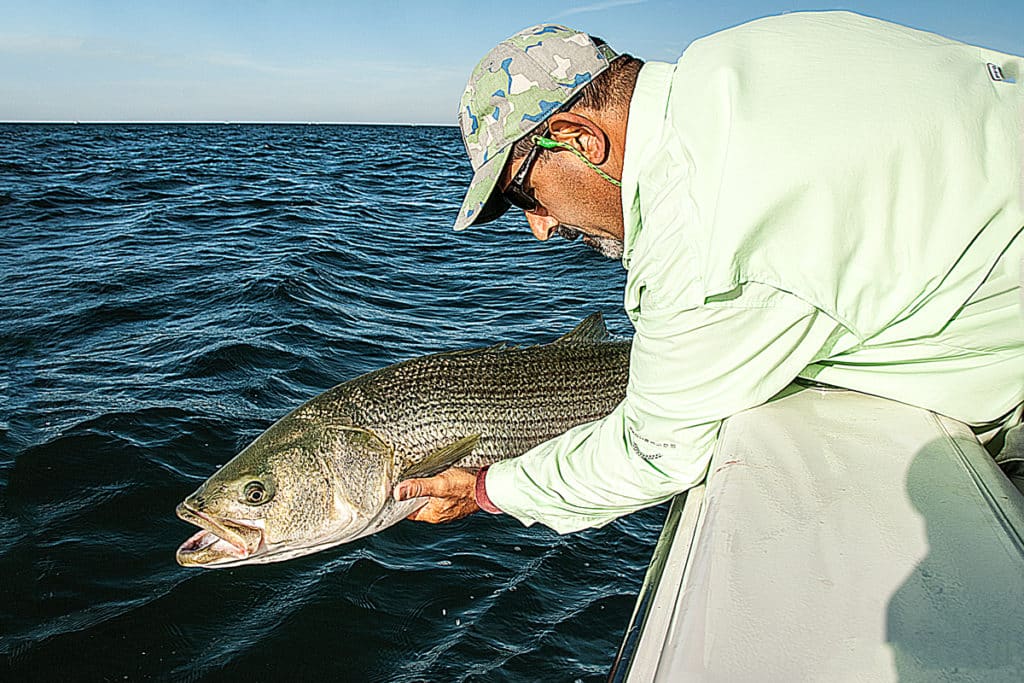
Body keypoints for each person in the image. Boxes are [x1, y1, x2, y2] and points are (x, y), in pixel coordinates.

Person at [395, 11, 1024, 533]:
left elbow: (654, 453)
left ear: (578, 138)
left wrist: (486, 489)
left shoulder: (702, 224)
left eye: (524, 196)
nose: (540, 226)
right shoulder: (745, 54)